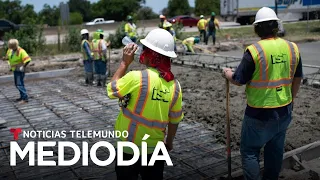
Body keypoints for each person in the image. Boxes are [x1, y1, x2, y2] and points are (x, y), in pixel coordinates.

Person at [222, 7, 303, 180]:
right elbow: (297, 79)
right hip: (284, 110)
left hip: (258, 113)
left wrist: (227, 73)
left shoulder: (254, 50)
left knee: (250, 151)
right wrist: (291, 100)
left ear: (257, 28)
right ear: (276, 26)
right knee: (275, 151)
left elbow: (238, 79)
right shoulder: (292, 48)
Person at [106, 28, 183, 180]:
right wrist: (169, 142)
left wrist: (124, 63)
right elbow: (175, 120)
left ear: (150, 55)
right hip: (155, 150)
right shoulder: (175, 86)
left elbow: (111, 90)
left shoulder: (137, 78)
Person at [5, 39, 31, 104]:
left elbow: (28, 60)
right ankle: (22, 97)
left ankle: (25, 99)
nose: (10, 48)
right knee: (17, 84)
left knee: (19, 84)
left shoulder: (21, 51)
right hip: (15, 69)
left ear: (15, 46)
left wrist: (23, 66)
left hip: (20, 69)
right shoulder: (10, 50)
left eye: (11, 47)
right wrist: (6, 59)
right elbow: (8, 57)